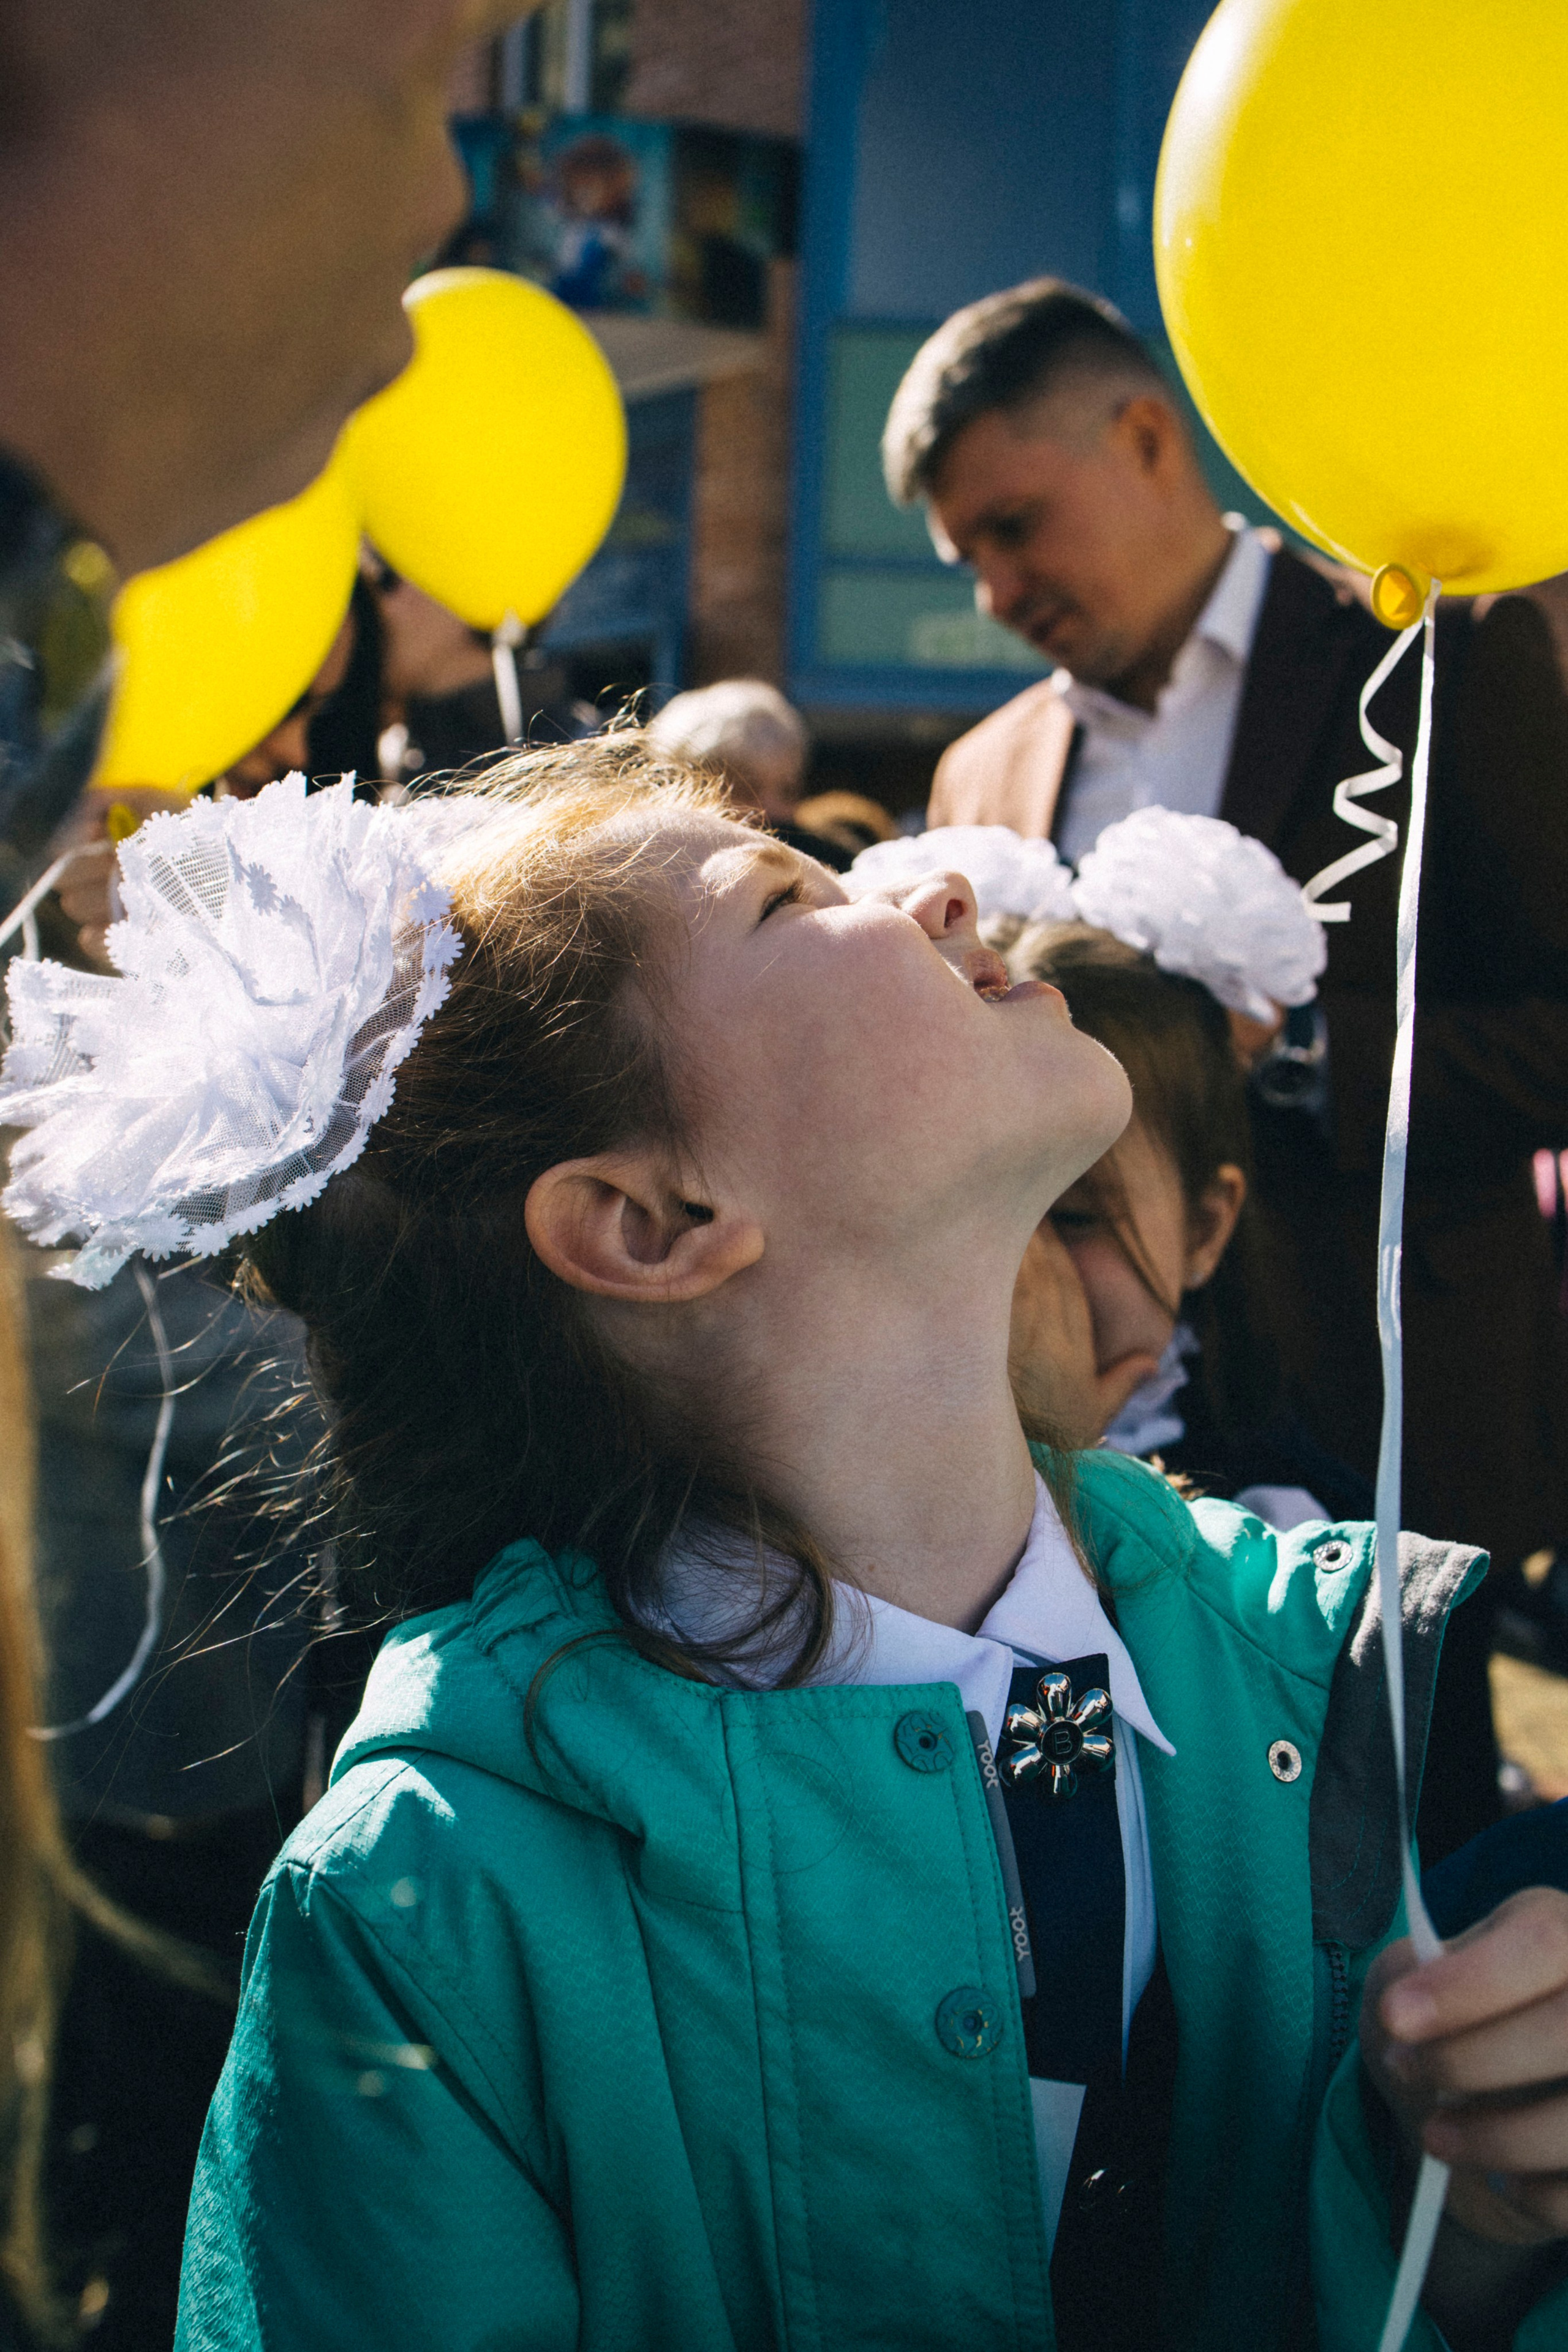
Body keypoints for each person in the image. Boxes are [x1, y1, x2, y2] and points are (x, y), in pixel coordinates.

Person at [3, 756, 1563, 2350]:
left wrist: (1483, 2233)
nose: (939, 890)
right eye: (791, 896)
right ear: (658, 1222)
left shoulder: (1306, 1669)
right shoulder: (434, 1902)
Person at [884, 277, 1568, 1858]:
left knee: (1406, 1898)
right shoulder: (979, 770)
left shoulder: (1443, 661)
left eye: (1014, 525)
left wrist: (1320, 1052)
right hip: (1059, 1464)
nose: (995, 588)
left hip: (1385, 1432)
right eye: (965, 556)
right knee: (1120, 1896)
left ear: (1145, 437)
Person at [848, 811, 1370, 1528]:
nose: (1014, 1269)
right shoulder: (821, 1469)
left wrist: (1060, 1464)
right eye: (951, 1201)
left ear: (1205, 1228)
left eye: (1072, 1216)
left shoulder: (1285, 1525)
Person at [646, 678, 857, 869]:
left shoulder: (833, 865)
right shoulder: (648, 868)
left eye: (787, 791)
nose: (769, 811)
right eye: (745, 789)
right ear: (682, 789)